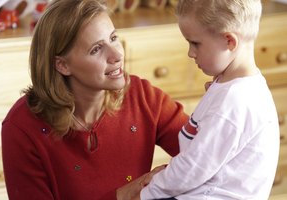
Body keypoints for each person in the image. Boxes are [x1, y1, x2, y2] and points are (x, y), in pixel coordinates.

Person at [1, 0, 188, 199]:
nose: (117, 54)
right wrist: (125, 194)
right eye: (96, 49)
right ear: (62, 65)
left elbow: (207, 154)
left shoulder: (142, 97)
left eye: (113, 38)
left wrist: (220, 99)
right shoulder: (21, 128)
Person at [117, 0, 280, 199]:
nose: (190, 53)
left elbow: (194, 167)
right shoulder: (233, 88)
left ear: (229, 41)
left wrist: (148, 192)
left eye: (195, 43)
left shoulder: (233, 101)